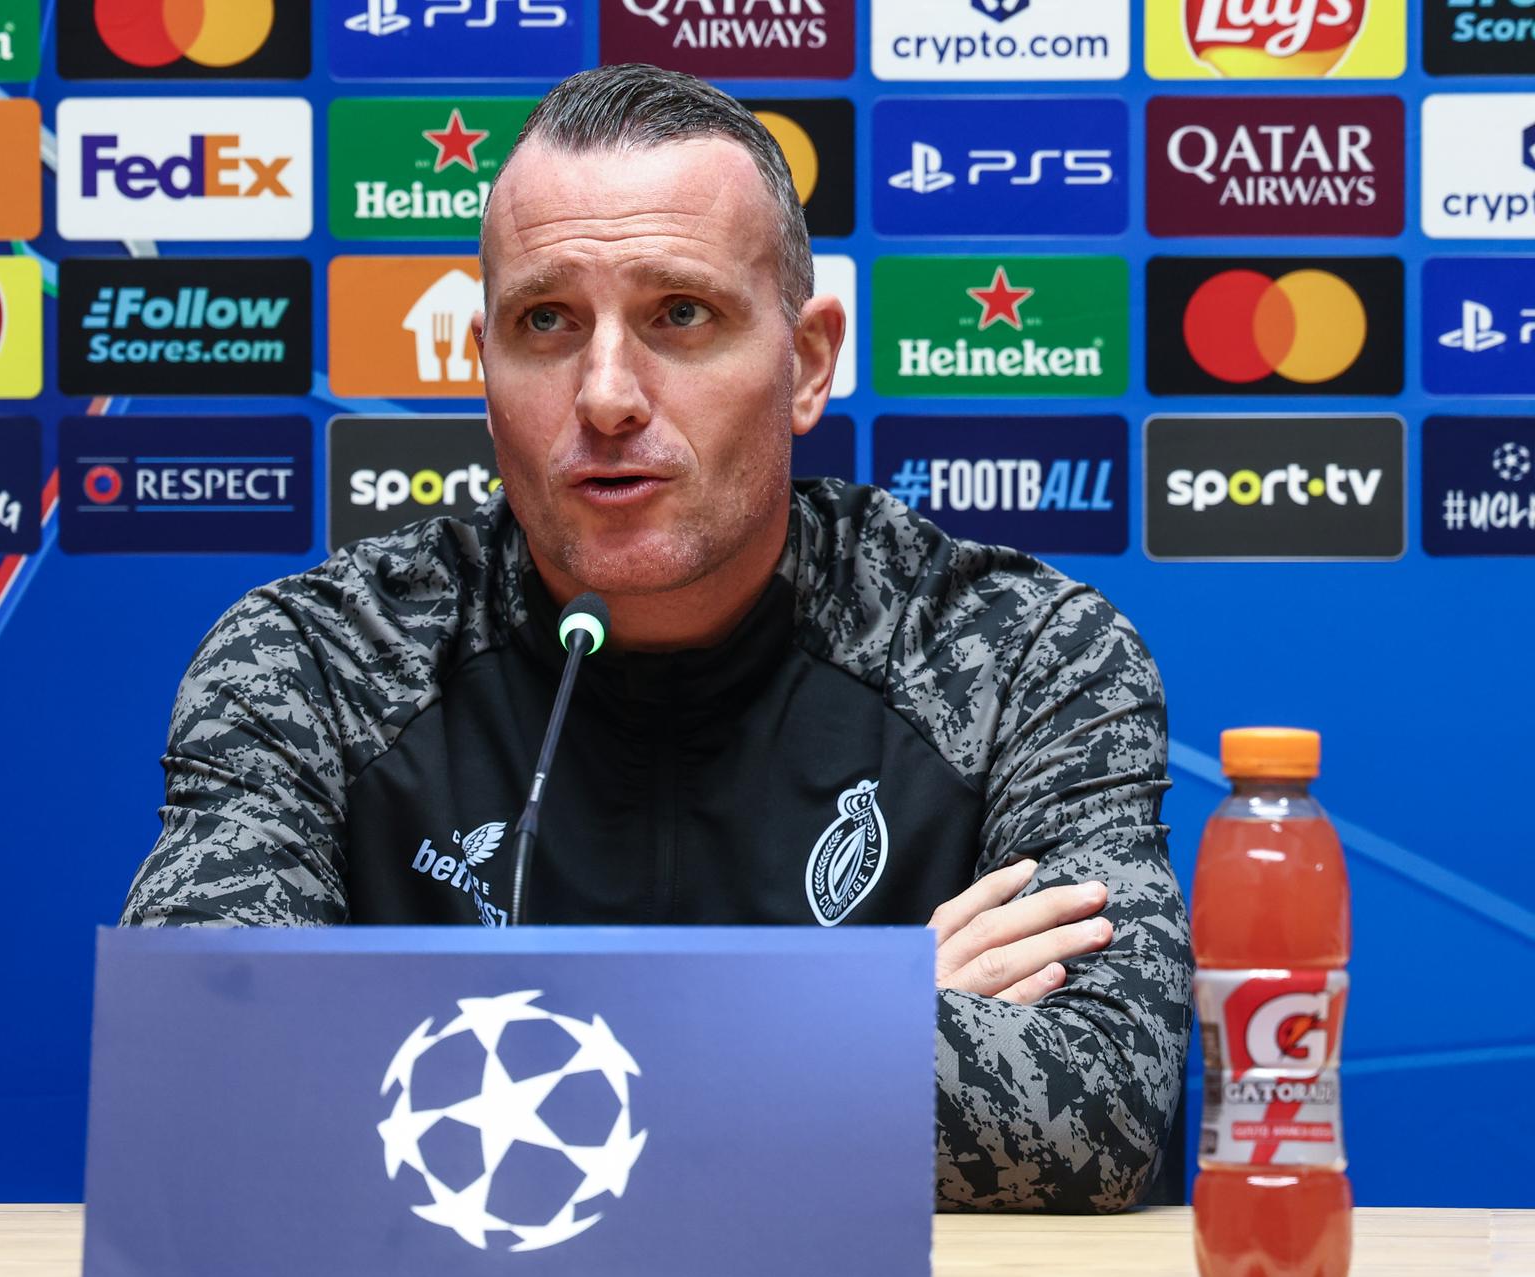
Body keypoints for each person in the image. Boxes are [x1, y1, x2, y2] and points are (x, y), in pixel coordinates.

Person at [121, 64, 1190, 1213]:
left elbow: (1102, 1112)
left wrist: (466, 1072)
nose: (608, 396)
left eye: (681, 314)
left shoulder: (1025, 656)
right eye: (545, 322)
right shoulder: (316, 663)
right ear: (482, 365)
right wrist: (859, 1008)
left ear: (809, 360)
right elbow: (202, 1077)